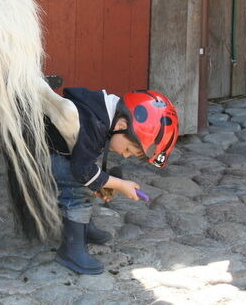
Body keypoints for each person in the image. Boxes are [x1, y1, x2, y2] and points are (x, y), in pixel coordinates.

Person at [46, 88, 179, 274]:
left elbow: (85, 162)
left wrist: (101, 182)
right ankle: (71, 248)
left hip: (60, 151)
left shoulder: (103, 114)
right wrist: (119, 184)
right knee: (76, 186)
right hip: (41, 155)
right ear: (121, 125)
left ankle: (80, 227)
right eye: (128, 150)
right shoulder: (95, 123)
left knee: (89, 179)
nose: (125, 156)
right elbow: (81, 171)